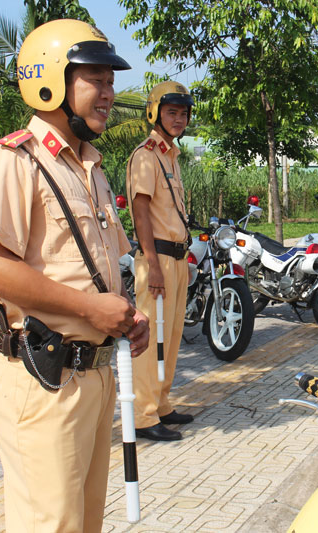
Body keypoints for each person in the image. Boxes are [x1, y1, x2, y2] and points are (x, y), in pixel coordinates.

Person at [0, 20, 149, 532]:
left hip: (94, 374)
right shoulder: (14, 162)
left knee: (84, 522)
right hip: (43, 375)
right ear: (50, 80)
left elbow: (105, 268)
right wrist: (92, 310)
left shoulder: (90, 167)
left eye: (111, 82)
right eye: (96, 80)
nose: (109, 94)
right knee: (51, 524)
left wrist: (128, 314)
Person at [126, 81, 194, 441]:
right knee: (150, 340)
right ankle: (143, 415)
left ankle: (162, 403)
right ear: (154, 113)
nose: (178, 119)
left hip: (176, 259)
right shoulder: (147, 155)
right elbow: (141, 213)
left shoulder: (170, 156)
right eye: (171, 112)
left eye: (183, 113)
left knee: (172, 336)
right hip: (158, 260)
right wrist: (152, 264)